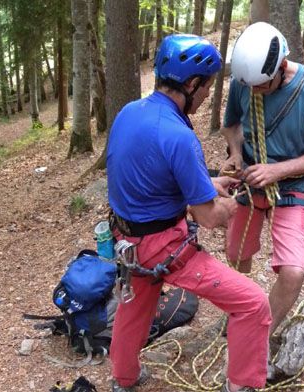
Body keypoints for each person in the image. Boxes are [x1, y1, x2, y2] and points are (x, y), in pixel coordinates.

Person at [107, 34, 271, 392]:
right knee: (254, 303)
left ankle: (124, 379)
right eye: (208, 86)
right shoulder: (180, 136)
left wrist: (208, 182)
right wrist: (231, 205)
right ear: (192, 83)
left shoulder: (129, 113)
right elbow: (209, 218)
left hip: (127, 240)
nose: (209, 94)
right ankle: (242, 385)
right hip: (161, 245)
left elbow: (150, 173)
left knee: (136, 306)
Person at [220, 22, 304, 339]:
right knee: (236, 255)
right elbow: (231, 125)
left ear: (282, 66)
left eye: (261, 86)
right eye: (250, 86)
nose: (254, 92)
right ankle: (241, 308)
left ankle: (257, 332)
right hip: (250, 178)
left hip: (294, 185)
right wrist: (235, 154)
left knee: (293, 273)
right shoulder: (245, 83)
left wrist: (277, 170)